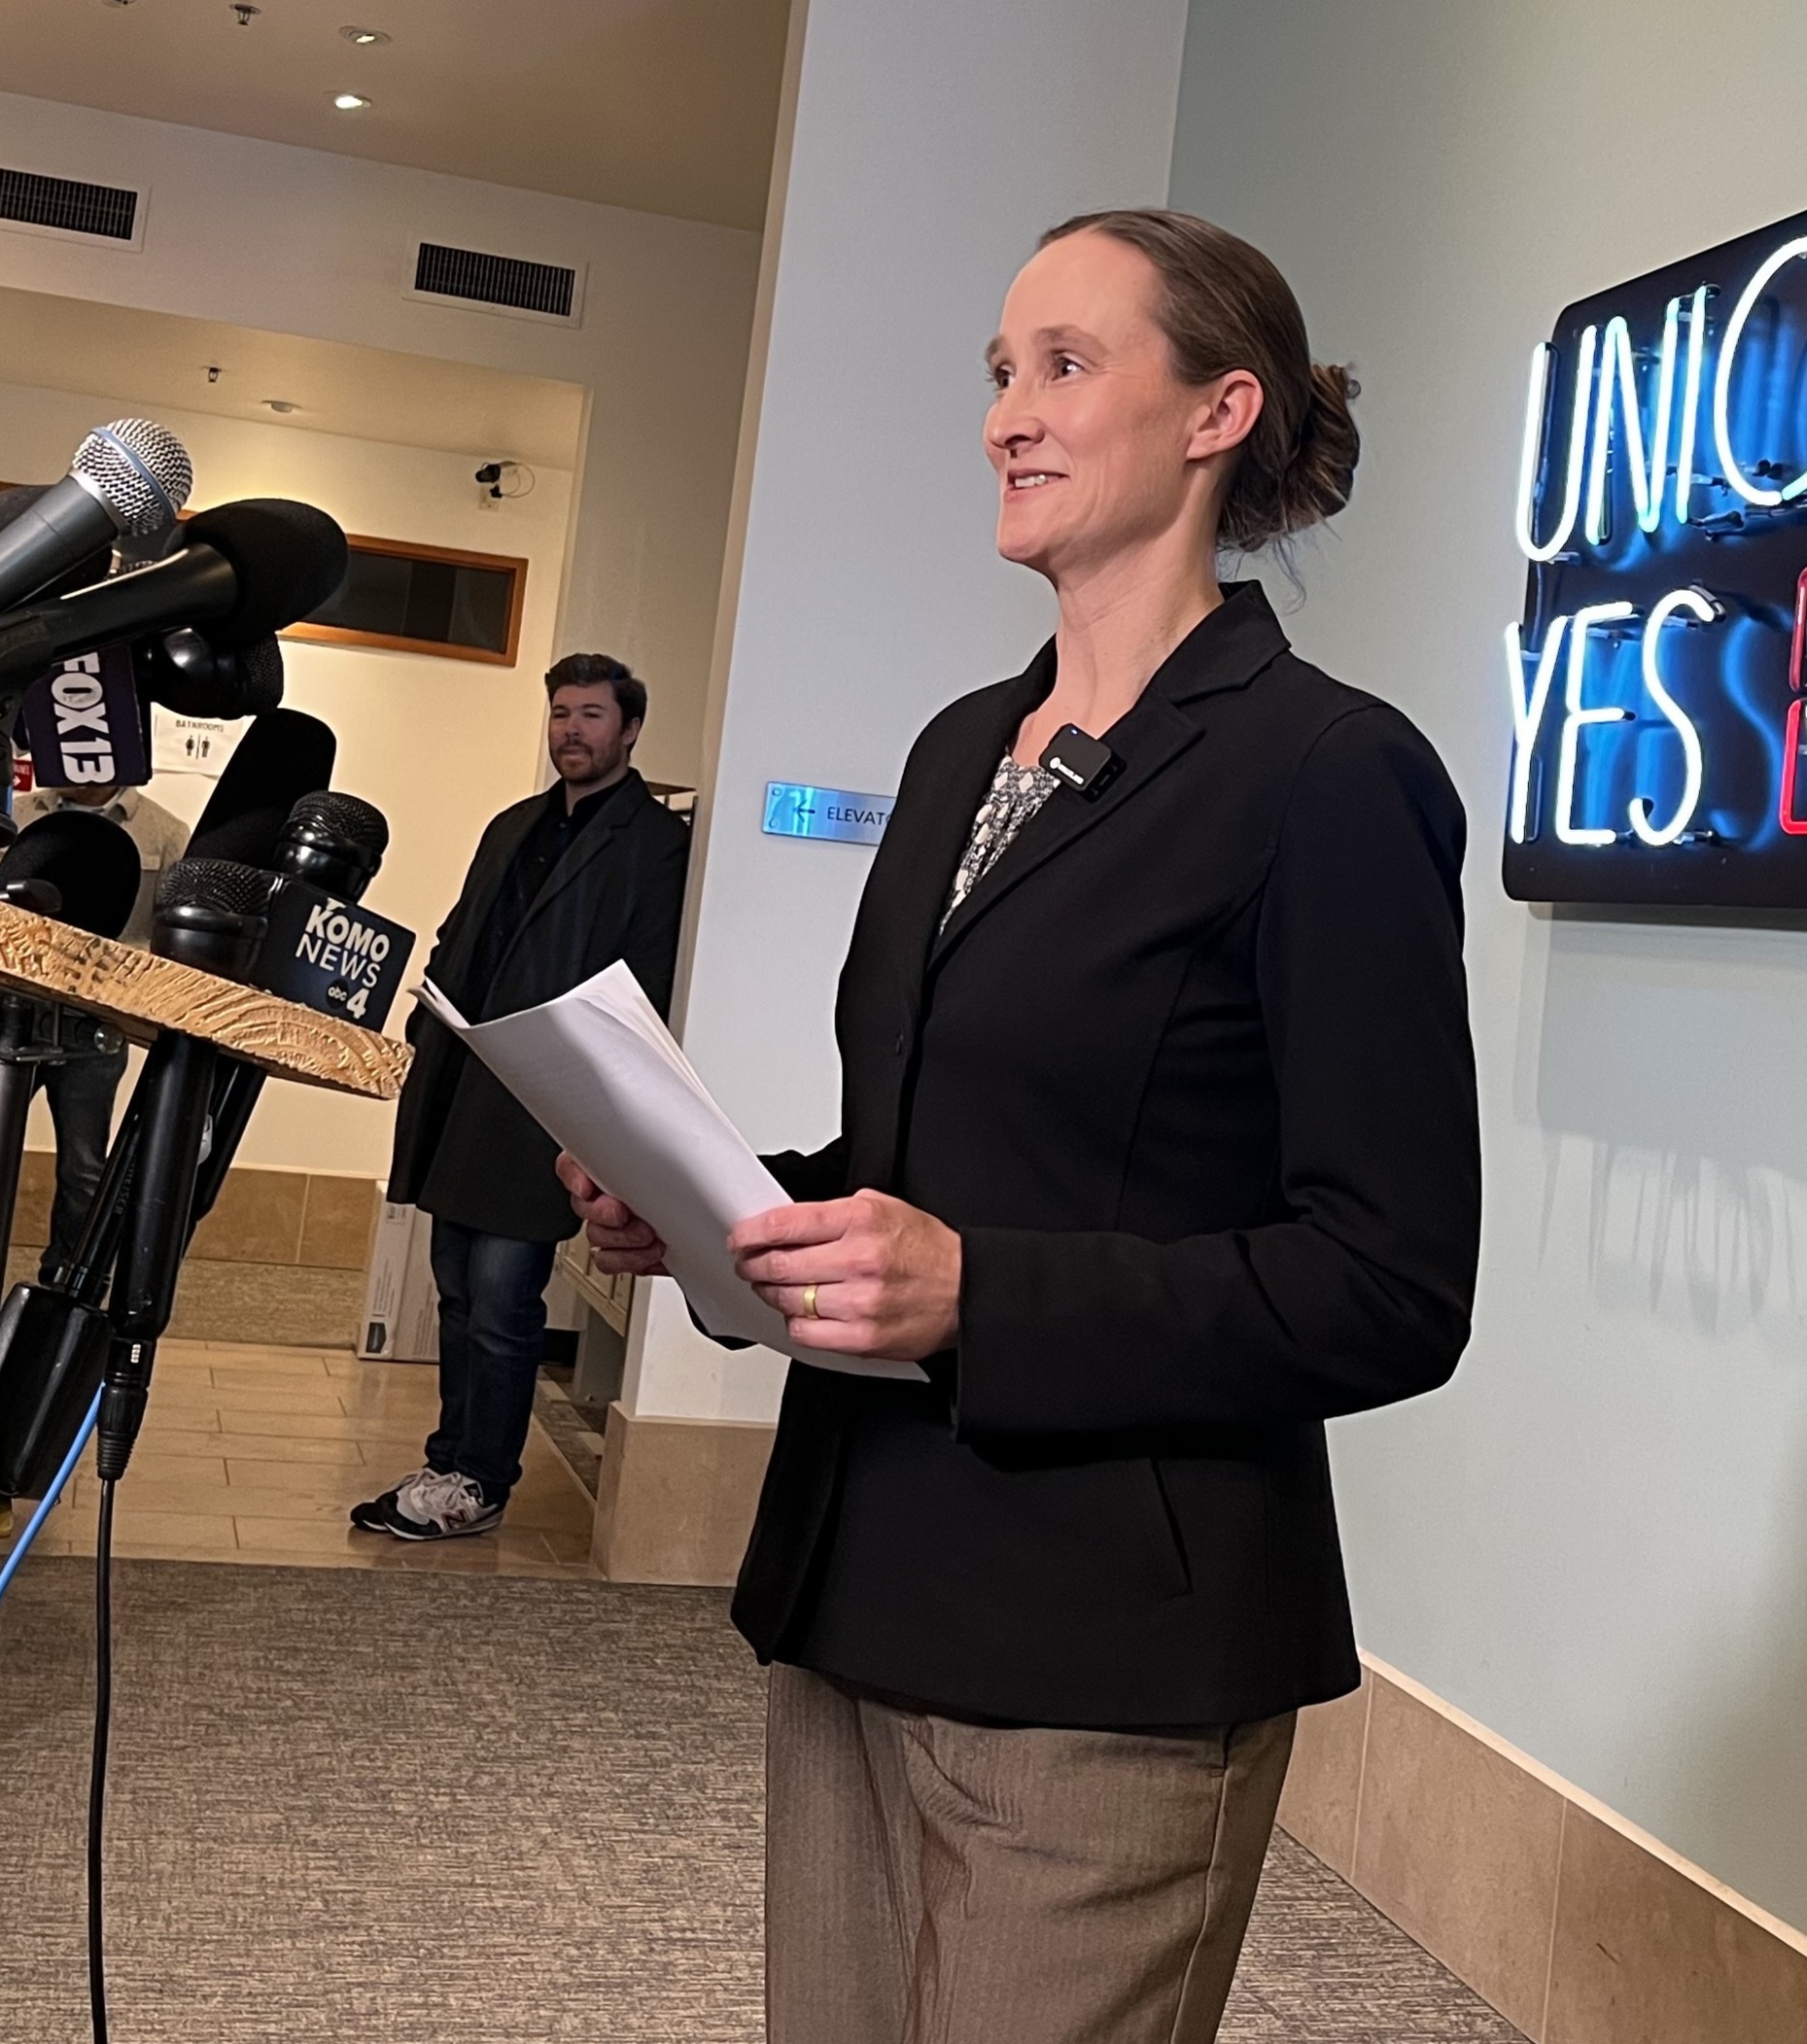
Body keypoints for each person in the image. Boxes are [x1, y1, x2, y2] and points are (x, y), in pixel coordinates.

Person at [564, 210, 1480, 2039]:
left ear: (1222, 411)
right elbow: (938, 1161)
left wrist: (981, 1294)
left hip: (1110, 1648)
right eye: (999, 370)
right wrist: (732, 1207)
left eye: (1065, 365)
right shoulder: (955, 748)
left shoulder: (1325, 770)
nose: (1007, 412)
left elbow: (1388, 1280)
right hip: (856, 1579)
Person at [356, 654, 689, 1542]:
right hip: (465, 1083)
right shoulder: (513, 824)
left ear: (629, 730)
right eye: (560, 714)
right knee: (457, 1290)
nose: (571, 730)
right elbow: (461, 932)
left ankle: (481, 1479)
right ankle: (450, 1457)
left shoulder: (659, 845)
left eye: (590, 715)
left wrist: (601, 1105)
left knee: (505, 1299)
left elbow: (647, 982)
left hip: (548, 1099)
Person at [6, 778, 189, 1275]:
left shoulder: (165, 833)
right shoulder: (18, 814)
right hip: (13, 1012)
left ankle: (69, 1277)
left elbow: (169, 937)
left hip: (97, 1023)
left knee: (84, 1166)